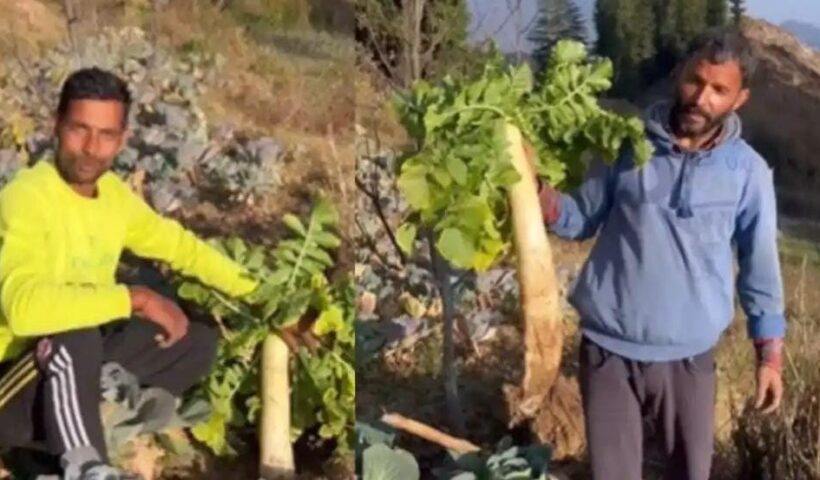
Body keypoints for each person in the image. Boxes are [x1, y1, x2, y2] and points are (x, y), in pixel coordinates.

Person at [530, 28, 784, 479]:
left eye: (718, 90)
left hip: (689, 359)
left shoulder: (748, 174)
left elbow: (759, 267)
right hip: (609, 352)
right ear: (678, 75)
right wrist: (539, 194)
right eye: (695, 81)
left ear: (738, 99)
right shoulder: (626, 147)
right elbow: (578, 218)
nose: (701, 97)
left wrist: (769, 356)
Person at [0, 67, 258, 479]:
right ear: (57, 126)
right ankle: (87, 466)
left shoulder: (115, 198)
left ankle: (57, 446)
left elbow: (179, 247)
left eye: (105, 135)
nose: (90, 148)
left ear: (122, 140)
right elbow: (24, 310)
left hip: (65, 373)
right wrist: (133, 298)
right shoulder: (26, 198)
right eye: (79, 130)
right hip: (12, 385)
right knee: (77, 332)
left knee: (195, 341)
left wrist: (263, 295)